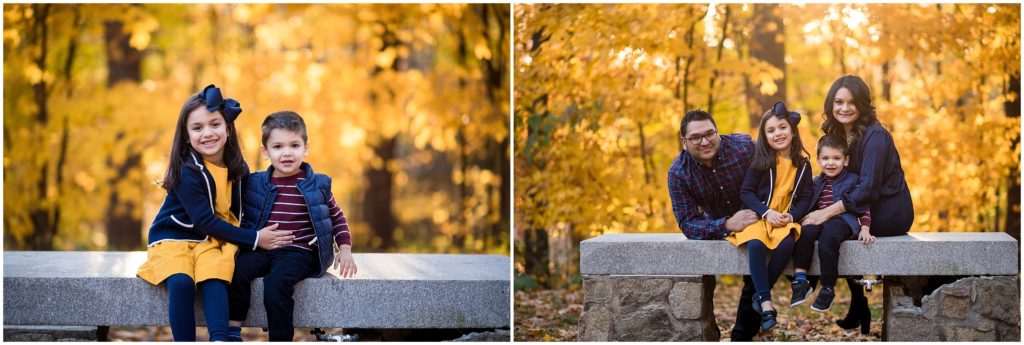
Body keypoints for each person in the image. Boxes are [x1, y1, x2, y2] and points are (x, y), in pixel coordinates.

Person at [136, 84, 293, 341]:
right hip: (176, 237)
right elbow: (204, 220)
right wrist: (254, 238)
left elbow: (249, 204)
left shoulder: (237, 167)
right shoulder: (187, 170)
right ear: (186, 136)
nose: (207, 133)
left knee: (216, 273)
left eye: (215, 124)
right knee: (182, 281)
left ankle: (220, 337)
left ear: (228, 129)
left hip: (212, 240)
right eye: (197, 128)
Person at [227, 111, 358, 341]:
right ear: (265, 152)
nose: (287, 153)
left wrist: (345, 249)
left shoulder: (318, 184)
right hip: (262, 247)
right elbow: (240, 213)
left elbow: (336, 217)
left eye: (294, 145)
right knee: (237, 271)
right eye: (278, 147)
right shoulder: (255, 182)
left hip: (298, 251)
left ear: (306, 148)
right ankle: (232, 330)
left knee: (276, 284)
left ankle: (280, 339)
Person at [801, 75, 915, 334]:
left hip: (889, 210)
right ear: (831, 104)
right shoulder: (839, 134)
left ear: (863, 104)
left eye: (852, 102)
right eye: (839, 102)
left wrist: (825, 212)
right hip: (860, 207)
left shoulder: (876, 136)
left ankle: (820, 285)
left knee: (834, 226)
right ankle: (858, 304)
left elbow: (868, 188)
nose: (844, 108)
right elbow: (833, 179)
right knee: (818, 226)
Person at [667, 109, 762, 341]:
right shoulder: (679, 174)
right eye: (696, 137)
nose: (705, 141)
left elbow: (776, 173)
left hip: (759, 219)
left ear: (718, 132)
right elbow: (688, 224)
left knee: (757, 266)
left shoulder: (744, 147)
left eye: (710, 134)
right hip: (722, 230)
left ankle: (742, 336)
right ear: (684, 142)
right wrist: (727, 224)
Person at [729, 102, 814, 331]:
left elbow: (807, 197)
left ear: (792, 130)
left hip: (784, 218)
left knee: (787, 244)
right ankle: (767, 304)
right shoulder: (761, 162)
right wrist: (766, 212)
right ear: (765, 136)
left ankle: (759, 294)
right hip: (760, 216)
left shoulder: (804, 165)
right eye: (771, 130)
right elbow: (746, 191)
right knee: (755, 245)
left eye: (782, 127)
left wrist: (792, 215)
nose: (778, 134)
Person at [790, 135, 874, 313]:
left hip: (843, 222)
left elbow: (863, 206)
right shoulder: (815, 182)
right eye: (826, 158)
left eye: (837, 158)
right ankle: (800, 280)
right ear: (818, 160)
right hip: (819, 221)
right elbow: (806, 204)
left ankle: (827, 287)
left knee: (829, 238)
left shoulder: (853, 179)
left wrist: (865, 228)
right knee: (804, 233)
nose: (831, 163)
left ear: (846, 160)